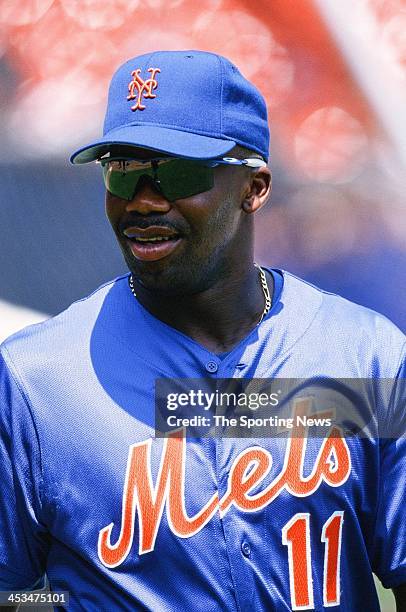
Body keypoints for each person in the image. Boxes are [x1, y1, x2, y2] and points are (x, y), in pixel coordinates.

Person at [0, 50, 404, 612]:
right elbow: (9, 591)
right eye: (124, 171)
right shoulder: (34, 380)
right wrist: (69, 603)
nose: (143, 200)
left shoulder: (365, 357)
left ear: (255, 187)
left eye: (178, 172)